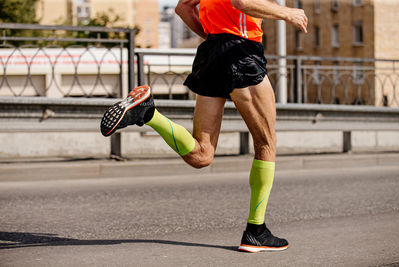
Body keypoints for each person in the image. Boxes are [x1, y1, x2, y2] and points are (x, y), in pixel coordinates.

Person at [100, 0, 307, 253]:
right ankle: (256, 231)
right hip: (241, 50)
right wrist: (288, 13)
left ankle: (148, 113)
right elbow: (241, 2)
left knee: (201, 154)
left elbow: (183, 8)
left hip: (211, 53)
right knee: (266, 142)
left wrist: (215, 39)